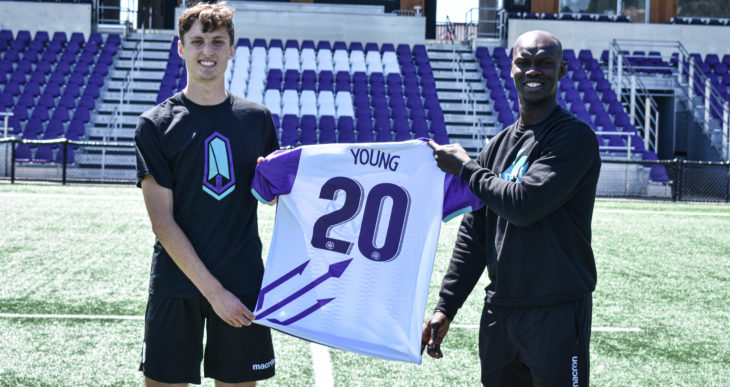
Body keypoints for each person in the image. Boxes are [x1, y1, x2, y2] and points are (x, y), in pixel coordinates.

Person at [423, 30, 601, 386]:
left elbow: (524, 205)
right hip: (500, 311)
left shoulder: (574, 138)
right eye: (525, 62)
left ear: (562, 70)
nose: (533, 70)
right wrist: (447, 306)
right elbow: (475, 235)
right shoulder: (497, 145)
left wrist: (467, 168)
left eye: (545, 63)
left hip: (556, 311)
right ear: (511, 69)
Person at [134, 2, 278, 386]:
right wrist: (216, 295)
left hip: (242, 279)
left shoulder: (258, 119)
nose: (207, 51)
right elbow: (162, 223)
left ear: (232, 49)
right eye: (197, 41)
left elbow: (274, 196)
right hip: (176, 283)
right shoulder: (155, 124)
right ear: (180, 48)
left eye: (217, 41)